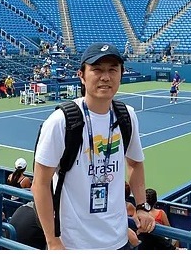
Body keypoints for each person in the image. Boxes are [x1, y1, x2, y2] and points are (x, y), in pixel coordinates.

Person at [32, 42, 154, 250]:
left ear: (121, 74)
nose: (105, 77)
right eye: (97, 70)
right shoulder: (61, 122)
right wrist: (53, 241)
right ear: (81, 75)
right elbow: (40, 184)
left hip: (118, 242)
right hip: (73, 244)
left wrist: (142, 207)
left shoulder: (127, 116)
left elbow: (135, 164)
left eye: (112, 70)